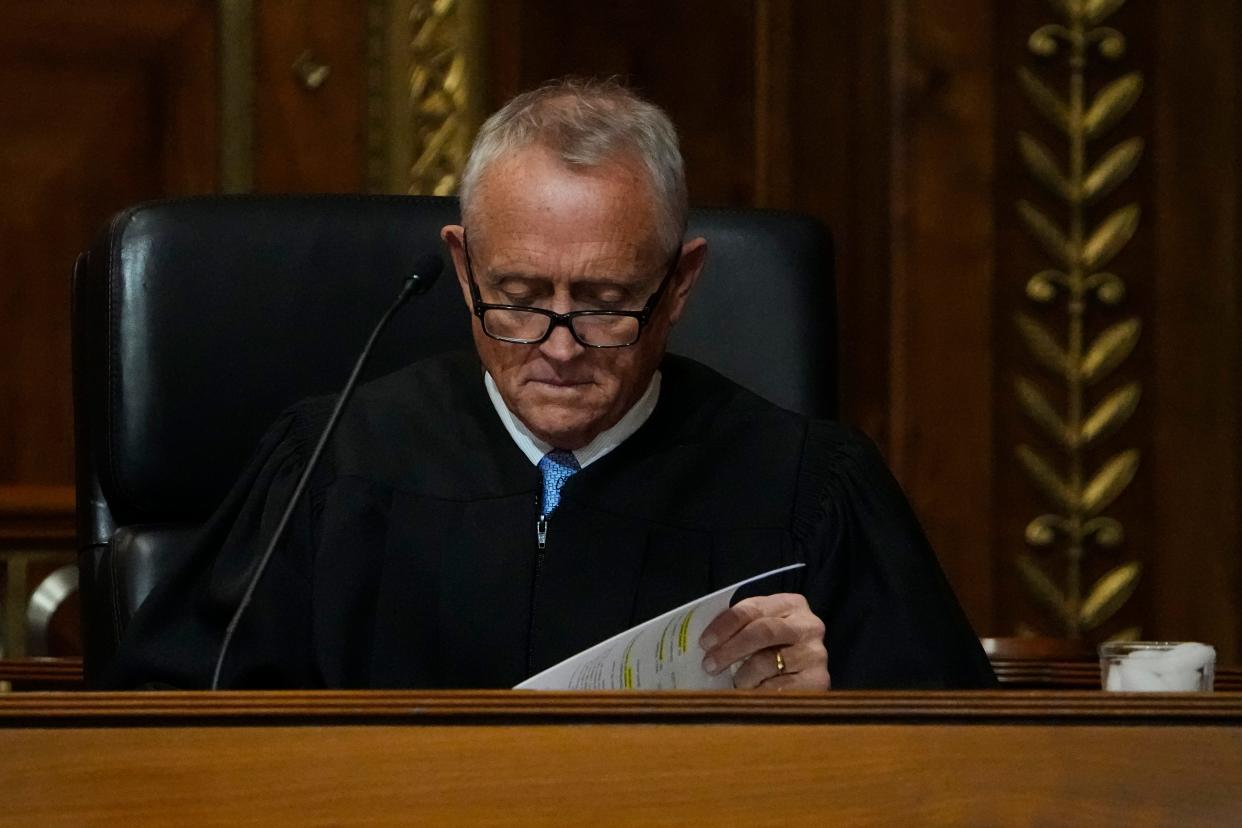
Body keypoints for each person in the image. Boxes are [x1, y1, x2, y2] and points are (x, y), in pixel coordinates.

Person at [105, 78, 996, 691]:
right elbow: (176, 720)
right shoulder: (331, 464)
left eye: (607, 303)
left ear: (679, 284)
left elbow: (956, 767)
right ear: (463, 268)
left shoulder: (806, 486)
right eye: (521, 299)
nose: (560, 349)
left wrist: (831, 724)